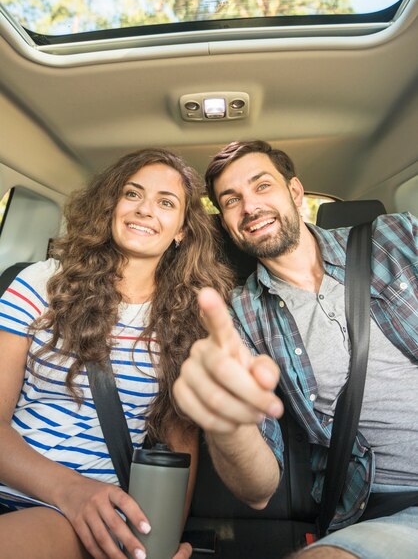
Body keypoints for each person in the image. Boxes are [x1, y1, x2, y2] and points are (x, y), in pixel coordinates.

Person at [173, 140, 418, 559]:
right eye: (231, 200)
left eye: (262, 186)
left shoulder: (395, 236)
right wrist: (226, 423)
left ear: (296, 193)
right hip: (394, 509)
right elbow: (258, 490)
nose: (250, 207)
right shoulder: (240, 318)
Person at [0, 148, 234, 559]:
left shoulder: (190, 318)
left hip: (86, 516)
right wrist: (68, 489)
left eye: (166, 202)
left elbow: (180, 445)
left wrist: (159, 544)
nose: (145, 209)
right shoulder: (38, 283)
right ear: (111, 206)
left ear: (181, 229)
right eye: (132, 194)